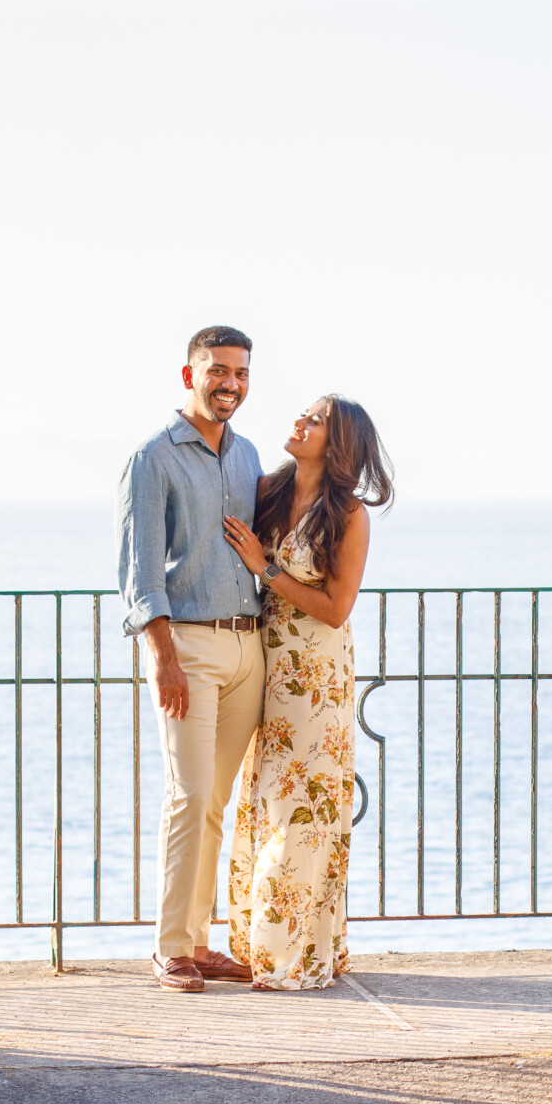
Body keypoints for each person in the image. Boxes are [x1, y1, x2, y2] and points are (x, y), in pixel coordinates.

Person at [220, 396, 393, 990]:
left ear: (338, 441)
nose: (299, 422)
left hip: (315, 680)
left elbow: (336, 608)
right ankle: (253, 943)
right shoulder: (267, 488)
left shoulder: (348, 515)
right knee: (264, 803)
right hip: (259, 665)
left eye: (315, 420)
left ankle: (290, 951)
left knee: (305, 811)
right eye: (304, 414)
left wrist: (265, 569)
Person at [118, 327, 266, 993]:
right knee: (191, 793)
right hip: (190, 649)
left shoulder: (248, 456)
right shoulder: (153, 458)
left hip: (248, 645)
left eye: (239, 372)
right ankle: (170, 946)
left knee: (217, 800)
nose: (229, 383)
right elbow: (140, 571)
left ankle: (201, 942)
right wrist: (163, 657)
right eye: (217, 371)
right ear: (189, 374)